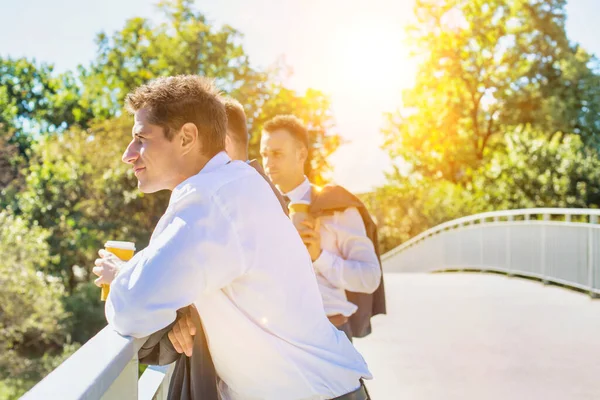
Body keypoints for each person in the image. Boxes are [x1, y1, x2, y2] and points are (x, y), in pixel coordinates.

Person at [93, 75, 372, 400]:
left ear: (186, 138)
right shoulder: (238, 183)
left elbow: (131, 307)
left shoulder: (212, 198)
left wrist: (123, 277)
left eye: (141, 138)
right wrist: (183, 308)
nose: (129, 154)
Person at [259, 115, 385, 340]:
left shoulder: (336, 206)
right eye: (264, 154)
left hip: (328, 334)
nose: (268, 163)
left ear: (301, 154)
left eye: (277, 154)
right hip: (275, 338)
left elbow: (370, 278)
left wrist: (319, 257)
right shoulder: (257, 208)